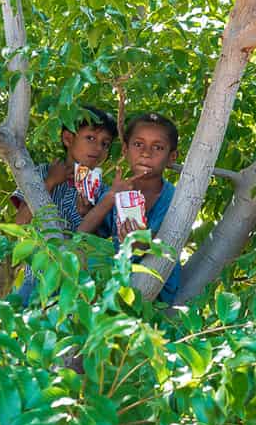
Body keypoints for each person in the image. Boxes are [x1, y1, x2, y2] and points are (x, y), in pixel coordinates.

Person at [11, 105, 117, 304]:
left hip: (78, 284)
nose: (98, 148)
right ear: (68, 139)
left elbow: (98, 243)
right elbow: (20, 224)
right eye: (90, 138)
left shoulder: (103, 191)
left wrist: (88, 214)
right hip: (35, 279)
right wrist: (49, 183)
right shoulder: (41, 173)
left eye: (105, 143)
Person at [77, 112, 181, 304]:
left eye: (157, 147)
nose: (146, 153)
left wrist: (142, 243)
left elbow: (167, 245)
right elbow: (80, 236)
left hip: (158, 288)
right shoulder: (114, 192)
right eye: (138, 144)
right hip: (114, 281)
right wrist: (106, 200)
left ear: (171, 157)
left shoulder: (176, 198)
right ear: (125, 150)